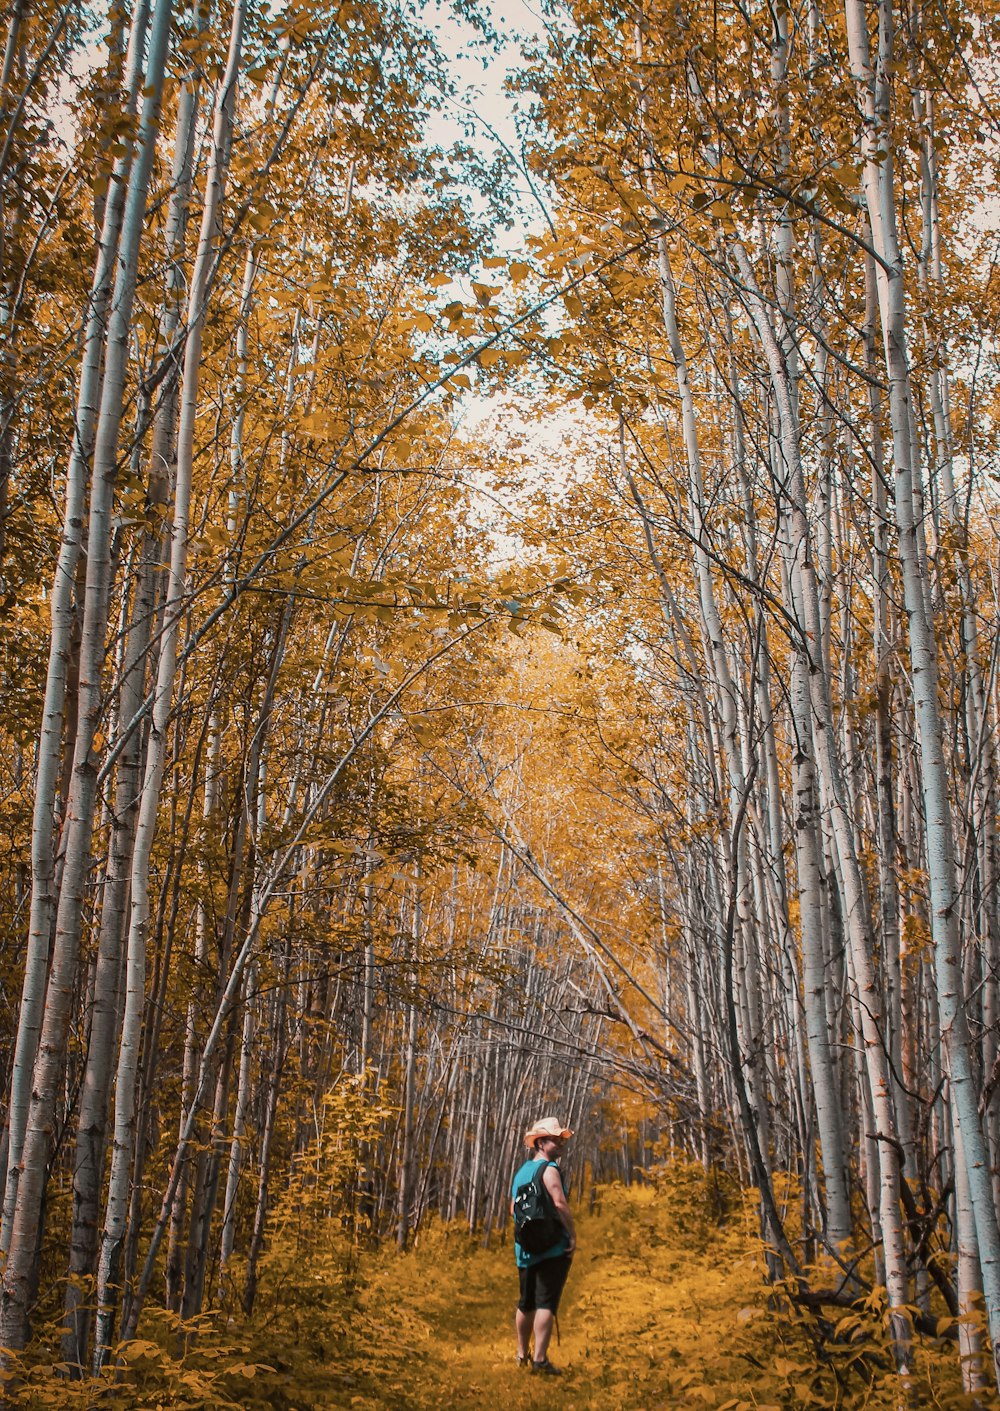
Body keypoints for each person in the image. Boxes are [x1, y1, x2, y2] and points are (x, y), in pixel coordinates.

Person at [511, 1116, 577, 1376]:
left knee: (525, 1302)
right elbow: (560, 1204)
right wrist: (572, 1234)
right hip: (552, 1246)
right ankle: (540, 1360)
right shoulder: (550, 1169)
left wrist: (529, 1235)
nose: (561, 1143)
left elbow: (512, 1209)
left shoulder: (521, 1173)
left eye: (562, 1138)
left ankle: (521, 1354)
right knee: (545, 1302)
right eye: (556, 1138)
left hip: (525, 1248)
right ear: (541, 1142)